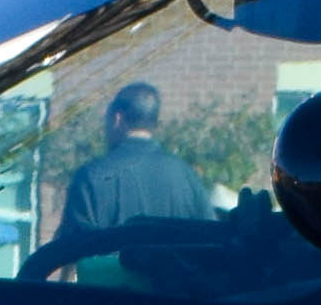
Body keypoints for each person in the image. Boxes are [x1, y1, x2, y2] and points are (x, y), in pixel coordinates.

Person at [58, 80, 208, 238]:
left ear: (117, 119)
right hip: (172, 263)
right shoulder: (187, 176)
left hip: (116, 263)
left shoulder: (91, 176)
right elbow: (209, 238)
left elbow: (70, 251)